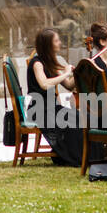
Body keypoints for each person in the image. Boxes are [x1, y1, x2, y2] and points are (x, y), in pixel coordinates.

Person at [26, 28, 82, 166]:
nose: (60, 43)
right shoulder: (37, 63)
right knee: (70, 119)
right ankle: (72, 157)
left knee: (78, 116)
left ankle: (80, 154)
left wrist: (78, 73)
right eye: (56, 40)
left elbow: (69, 86)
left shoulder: (51, 63)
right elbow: (44, 84)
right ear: (48, 44)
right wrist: (66, 73)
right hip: (39, 109)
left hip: (52, 107)